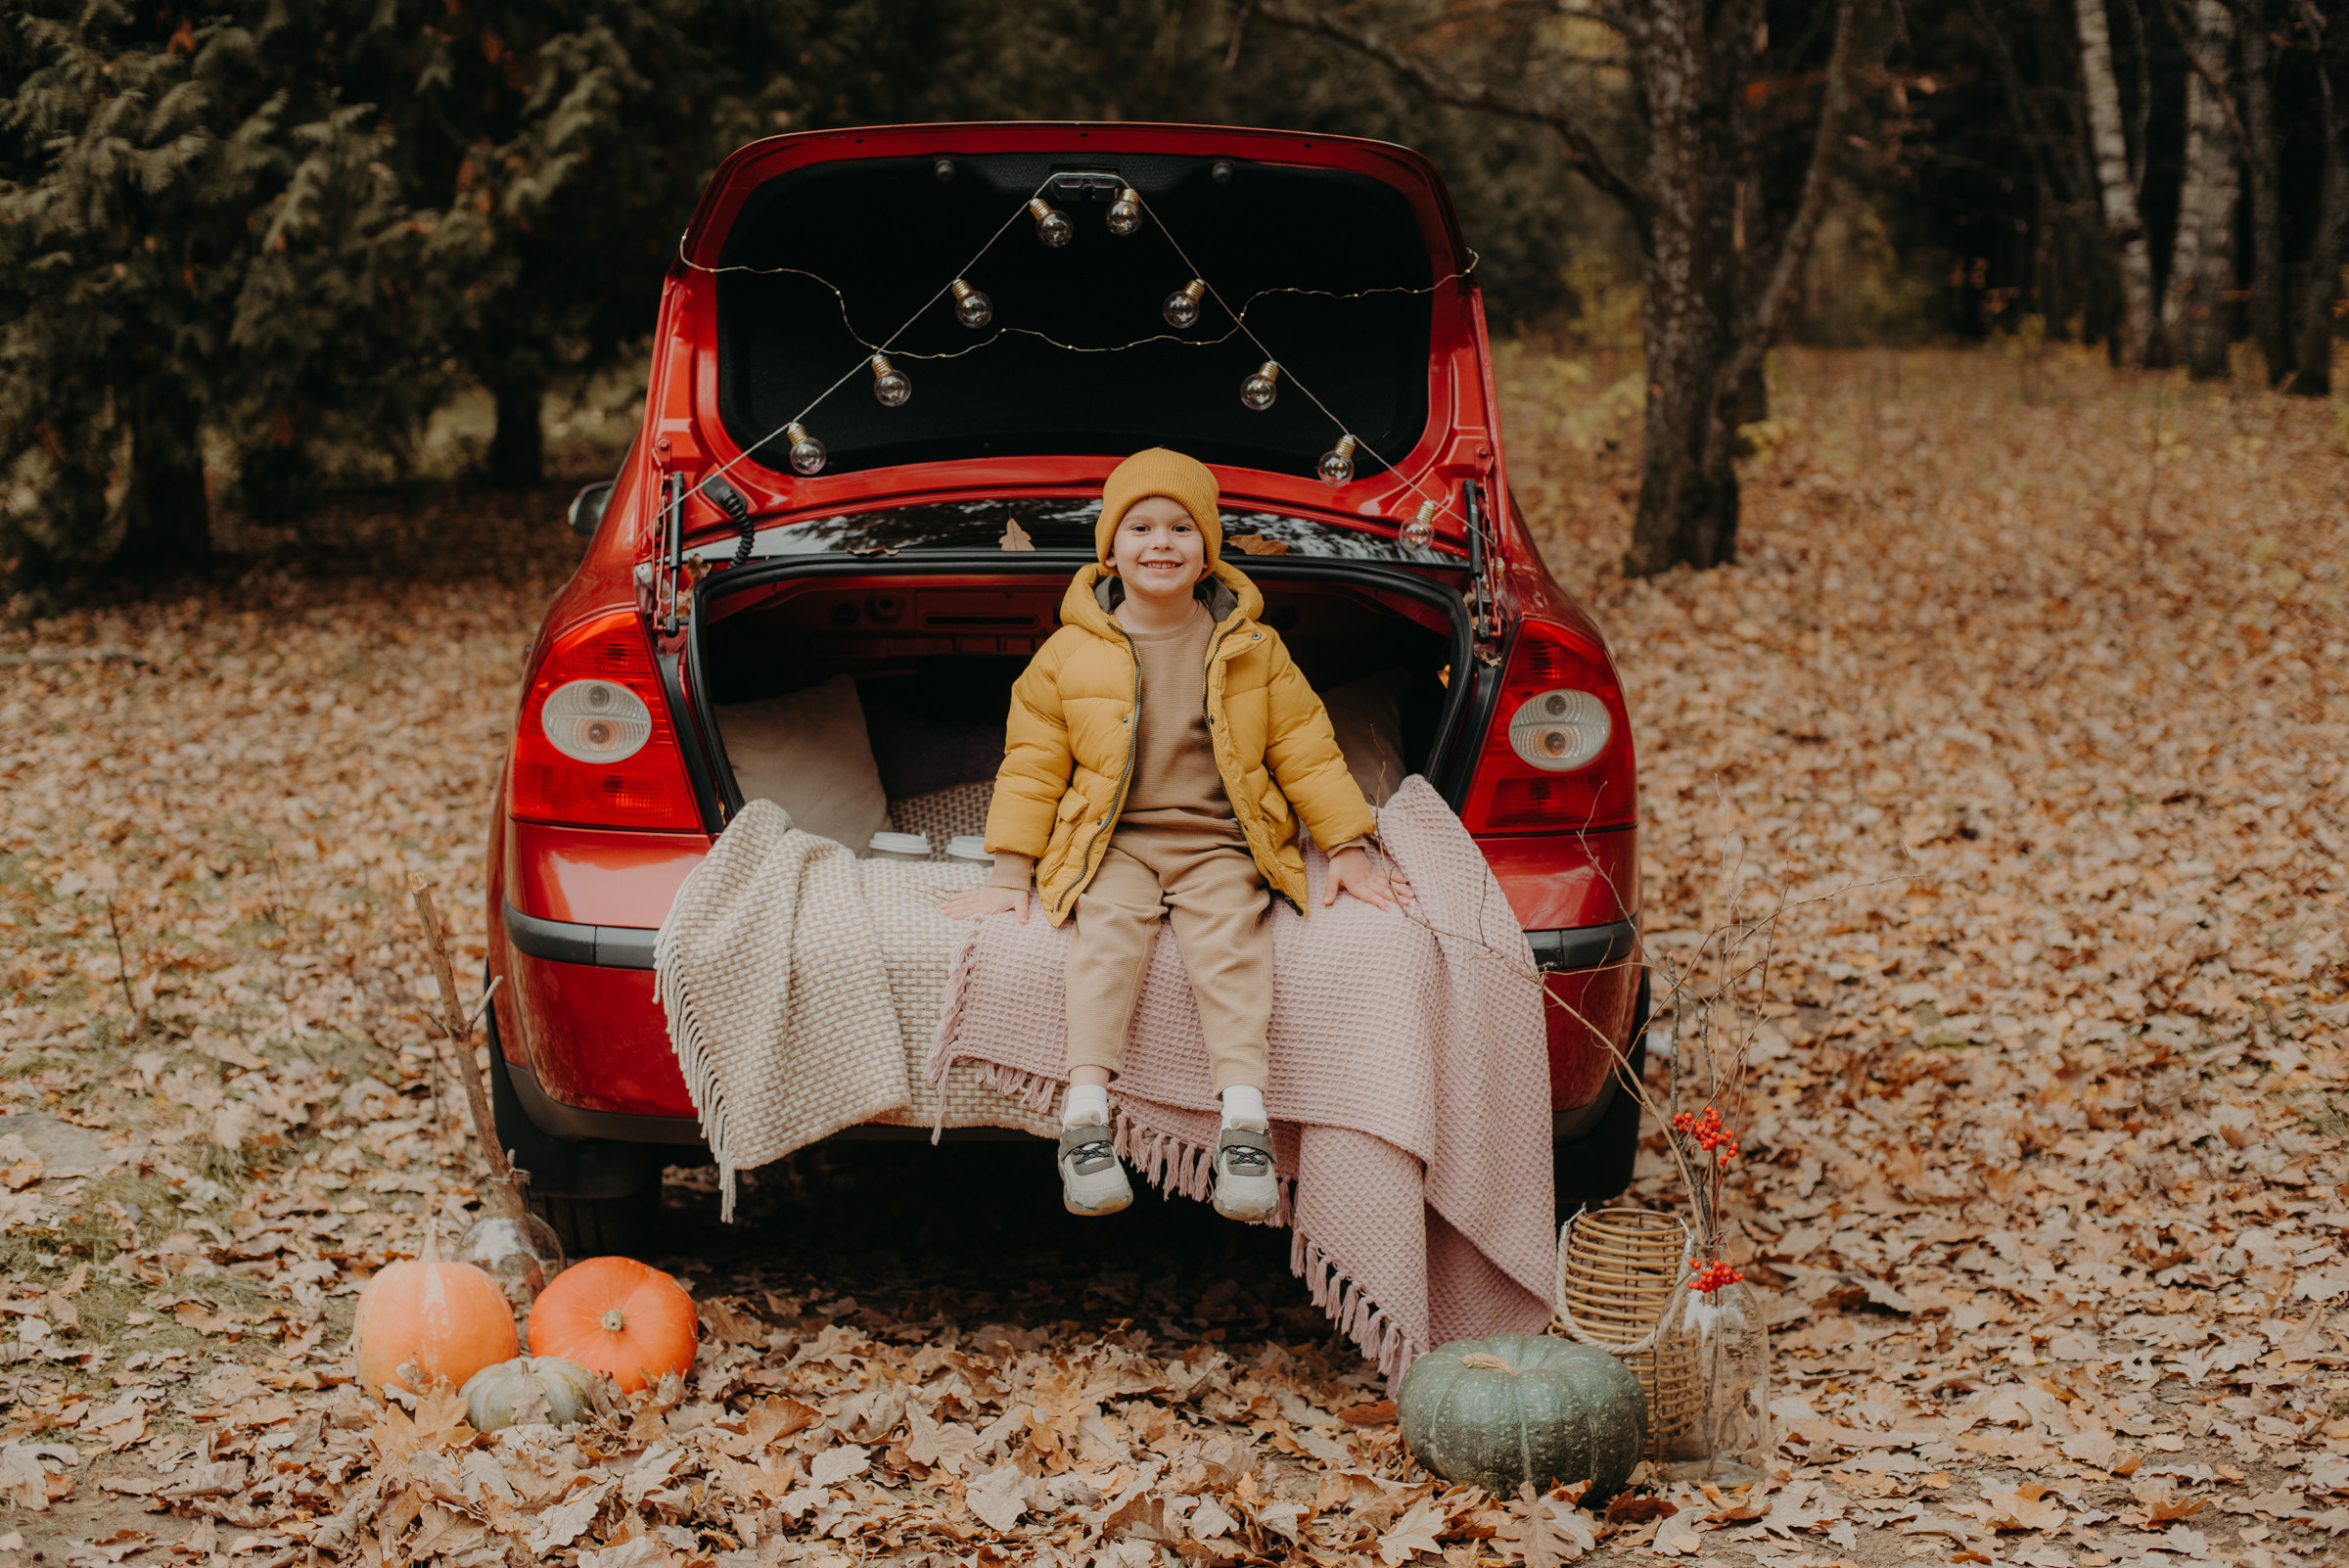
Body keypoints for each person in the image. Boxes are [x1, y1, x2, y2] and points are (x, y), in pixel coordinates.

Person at [941, 447, 1412, 1221]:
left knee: (1232, 946)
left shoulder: (1252, 649)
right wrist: (1009, 873)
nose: (1161, 543)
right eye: (1140, 527)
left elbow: (1305, 749)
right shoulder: (1066, 655)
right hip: (1112, 842)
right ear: (1111, 549)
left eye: (1181, 528)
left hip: (1222, 841)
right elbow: (1031, 768)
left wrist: (1350, 849)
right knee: (1105, 940)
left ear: (1208, 551)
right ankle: (1086, 1118)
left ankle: (1245, 1124)